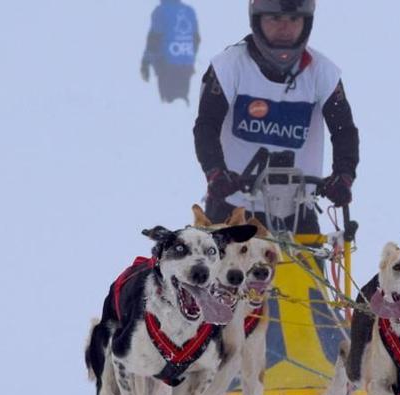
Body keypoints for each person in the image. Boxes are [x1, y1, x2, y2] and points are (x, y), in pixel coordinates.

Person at [193, 0, 359, 234]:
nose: (285, 28)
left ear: (306, 23)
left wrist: (343, 176)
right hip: (232, 210)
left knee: (307, 272)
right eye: (275, 19)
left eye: (294, 20)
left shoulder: (322, 72)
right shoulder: (228, 67)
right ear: (257, 20)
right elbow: (206, 126)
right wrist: (215, 172)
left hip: (298, 210)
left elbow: (344, 131)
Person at [141, 0, 201, 105]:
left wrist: (145, 63)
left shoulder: (160, 11)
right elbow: (196, 39)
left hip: (166, 65)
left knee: (169, 104)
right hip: (186, 65)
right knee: (181, 102)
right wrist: (188, 56)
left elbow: (154, 40)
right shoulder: (189, 11)